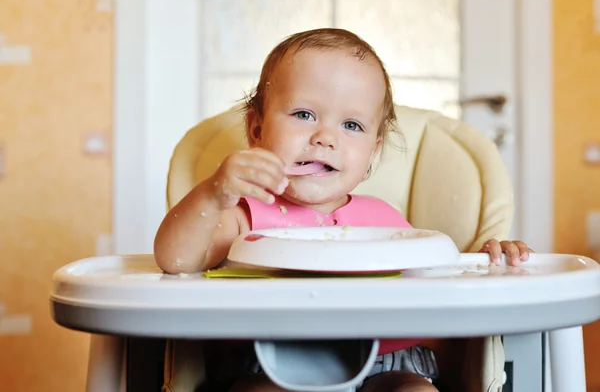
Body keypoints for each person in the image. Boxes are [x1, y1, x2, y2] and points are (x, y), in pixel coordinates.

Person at [154, 28, 532, 392]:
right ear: (256, 130)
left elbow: (441, 282)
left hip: (385, 363)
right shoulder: (244, 215)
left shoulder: (384, 220)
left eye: (351, 125)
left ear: (373, 153)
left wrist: (489, 261)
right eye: (303, 114)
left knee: (413, 389)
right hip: (270, 359)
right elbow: (175, 260)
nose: (325, 137)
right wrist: (213, 194)